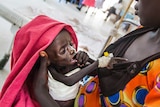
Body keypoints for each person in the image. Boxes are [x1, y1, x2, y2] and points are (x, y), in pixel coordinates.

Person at [30, 0, 160, 106]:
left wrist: (96, 63)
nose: (136, 1)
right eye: (64, 49)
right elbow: (103, 72)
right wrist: (87, 62)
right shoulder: (144, 30)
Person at [0, 15, 114, 107]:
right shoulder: (46, 74)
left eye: (71, 44)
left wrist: (87, 58)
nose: (71, 50)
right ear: (46, 57)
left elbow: (97, 72)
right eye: (63, 50)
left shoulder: (68, 62)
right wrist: (97, 63)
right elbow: (69, 81)